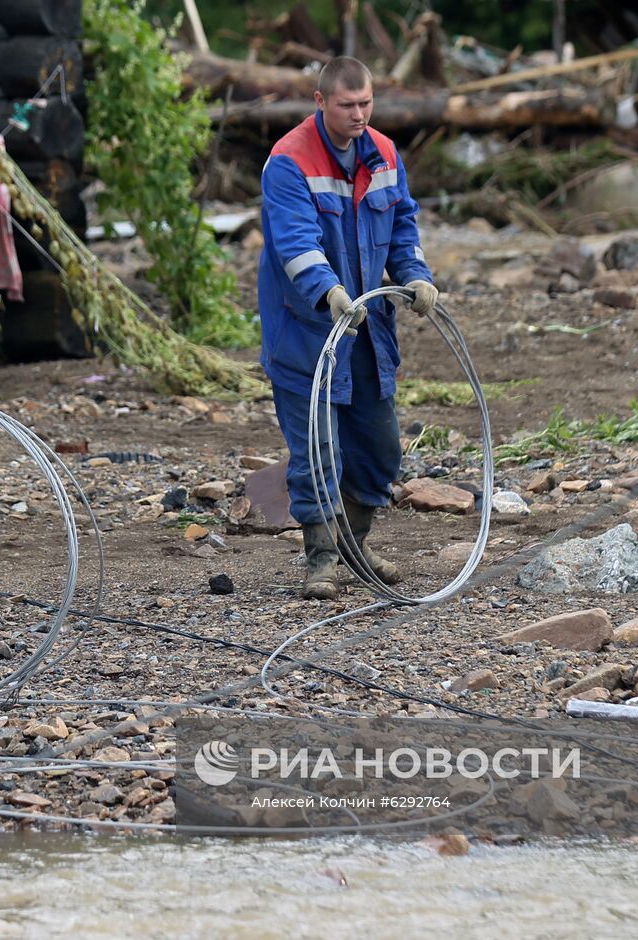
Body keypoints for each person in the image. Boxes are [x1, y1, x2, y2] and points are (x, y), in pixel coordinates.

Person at [258, 57, 439, 600]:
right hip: (306, 331)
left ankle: (353, 545)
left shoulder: (383, 153)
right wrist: (329, 291)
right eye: (347, 105)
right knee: (318, 449)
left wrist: (415, 274)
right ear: (320, 102)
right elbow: (294, 242)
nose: (359, 114)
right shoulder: (288, 161)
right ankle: (321, 559)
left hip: (367, 330)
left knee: (381, 451)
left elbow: (402, 221)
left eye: (366, 103)